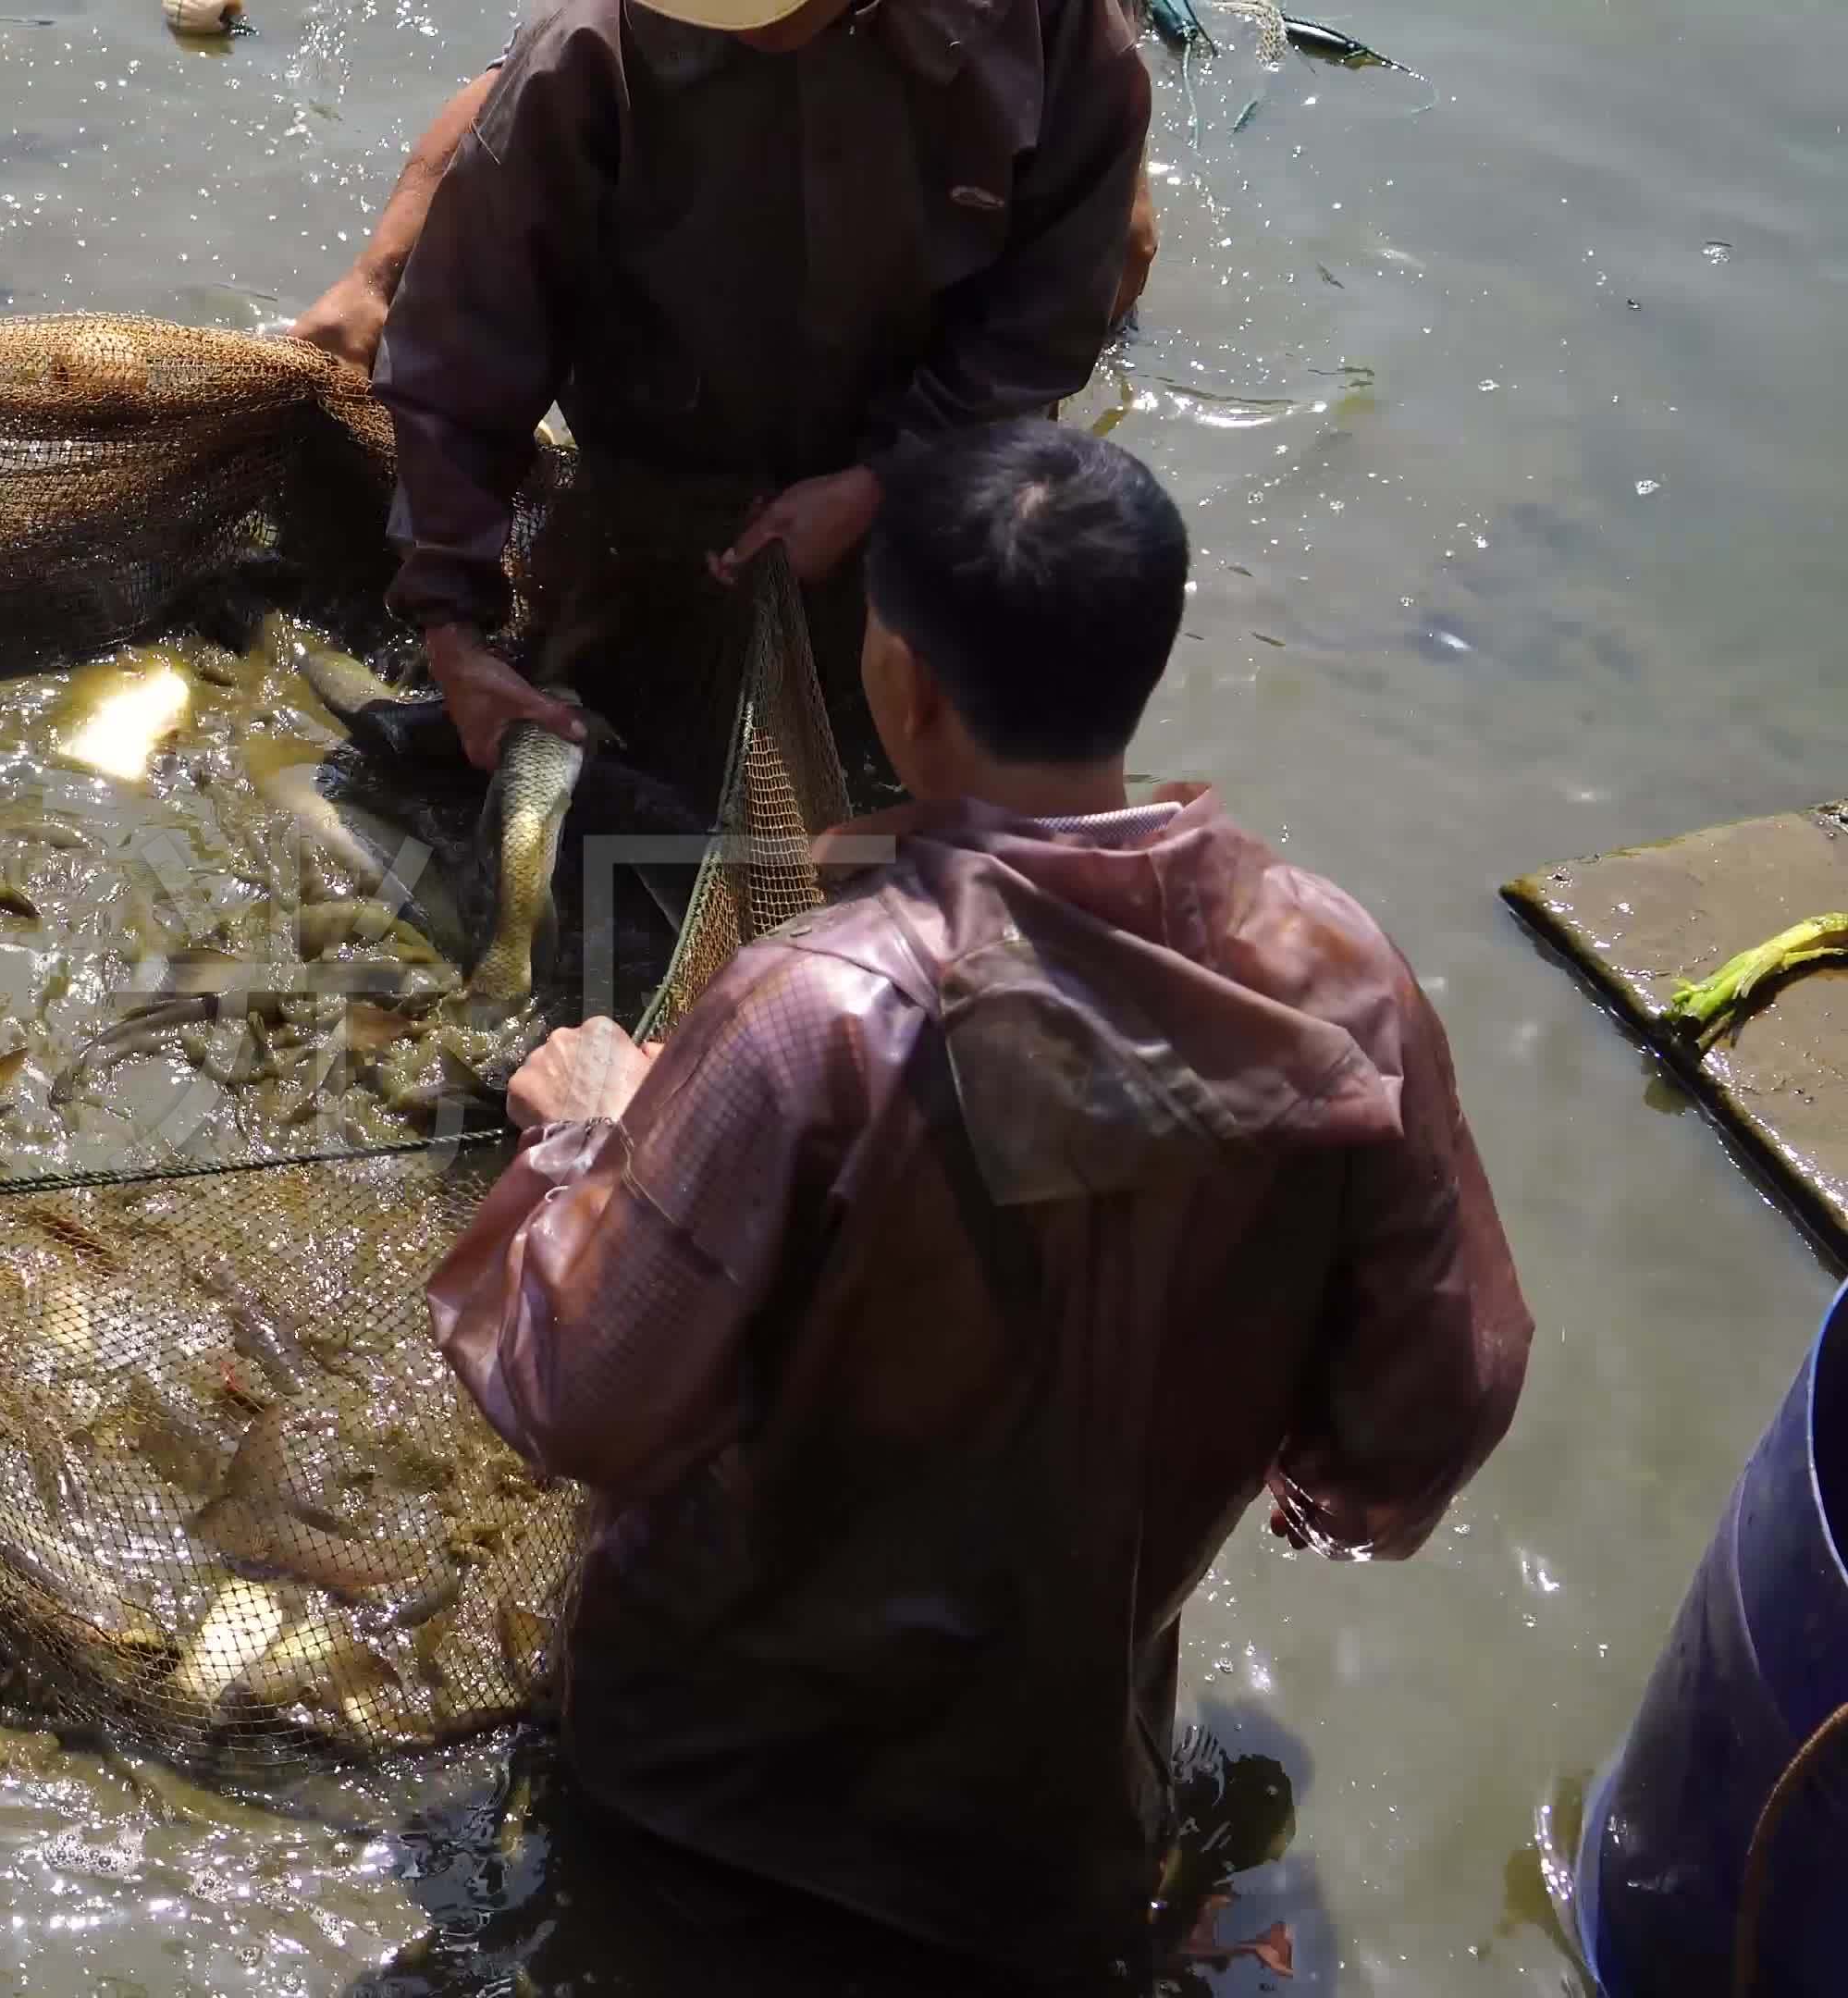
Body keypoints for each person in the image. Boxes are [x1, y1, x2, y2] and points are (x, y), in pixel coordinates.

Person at [426, 420, 1531, 1984]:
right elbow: (1446, 1393)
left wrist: (588, 1141)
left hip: (707, 1798)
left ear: (904, 685)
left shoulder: (815, 1008)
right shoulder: (1341, 975)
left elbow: (577, 1396)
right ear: (1140, 662)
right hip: (1050, 1831)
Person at [360, 0, 1156, 811]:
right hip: (664, 459)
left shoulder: (1059, 31)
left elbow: (1047, 316)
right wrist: (452, 628)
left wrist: (886, 478)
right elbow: (464, 344)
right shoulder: (587, 52)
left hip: (939, 460)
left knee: (950, 763)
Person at [290, 6, 1164, 371]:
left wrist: (907, 465)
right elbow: (530, 83)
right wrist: (376, 280)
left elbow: (1114, 246)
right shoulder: (613, 31)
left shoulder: (1058, 35)